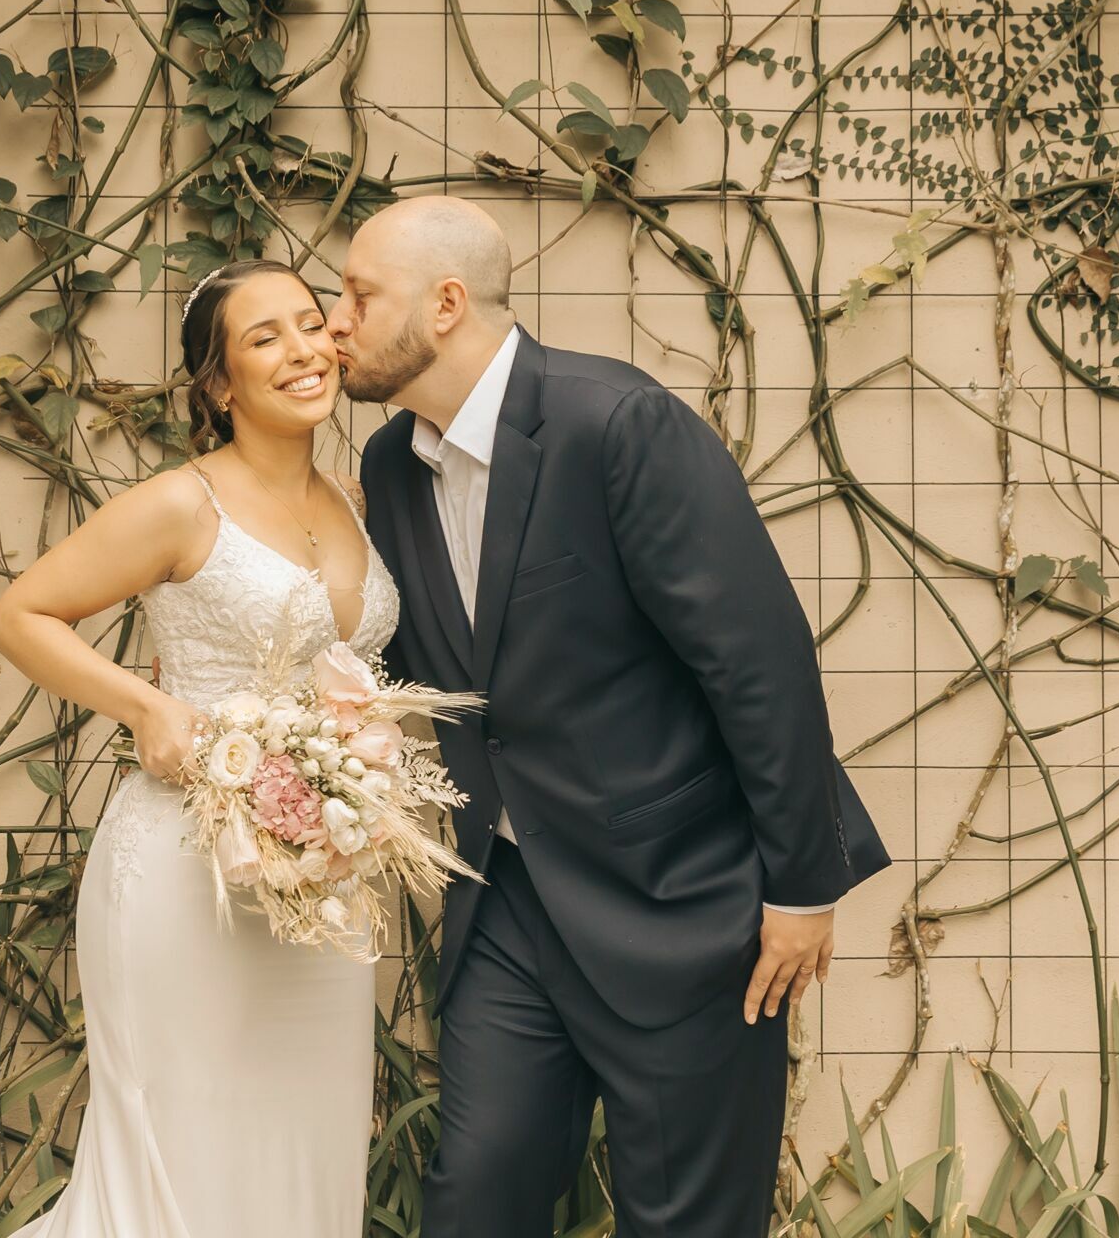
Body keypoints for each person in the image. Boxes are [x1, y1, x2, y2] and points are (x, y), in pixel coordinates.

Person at [332, 195, 891, 1237]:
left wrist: (804, 881)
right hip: (506, 898)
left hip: (681, 899)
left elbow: (757, 659)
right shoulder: (387, 468)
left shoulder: (617, 423)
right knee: (477, 1194)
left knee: (686, 1218)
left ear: (446, 303)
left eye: (358, 294)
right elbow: (431, 666)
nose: (336, 319)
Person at [0, 259, 396, 1238]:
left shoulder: (352, 497)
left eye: (309, 324)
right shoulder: (181, 504)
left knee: (306, 1134)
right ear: (218, 384)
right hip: (183, 870)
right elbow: (18, 614)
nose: (302, 349)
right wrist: (142, 705)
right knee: (186, 1146)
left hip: (319, 886)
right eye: (265, 338)